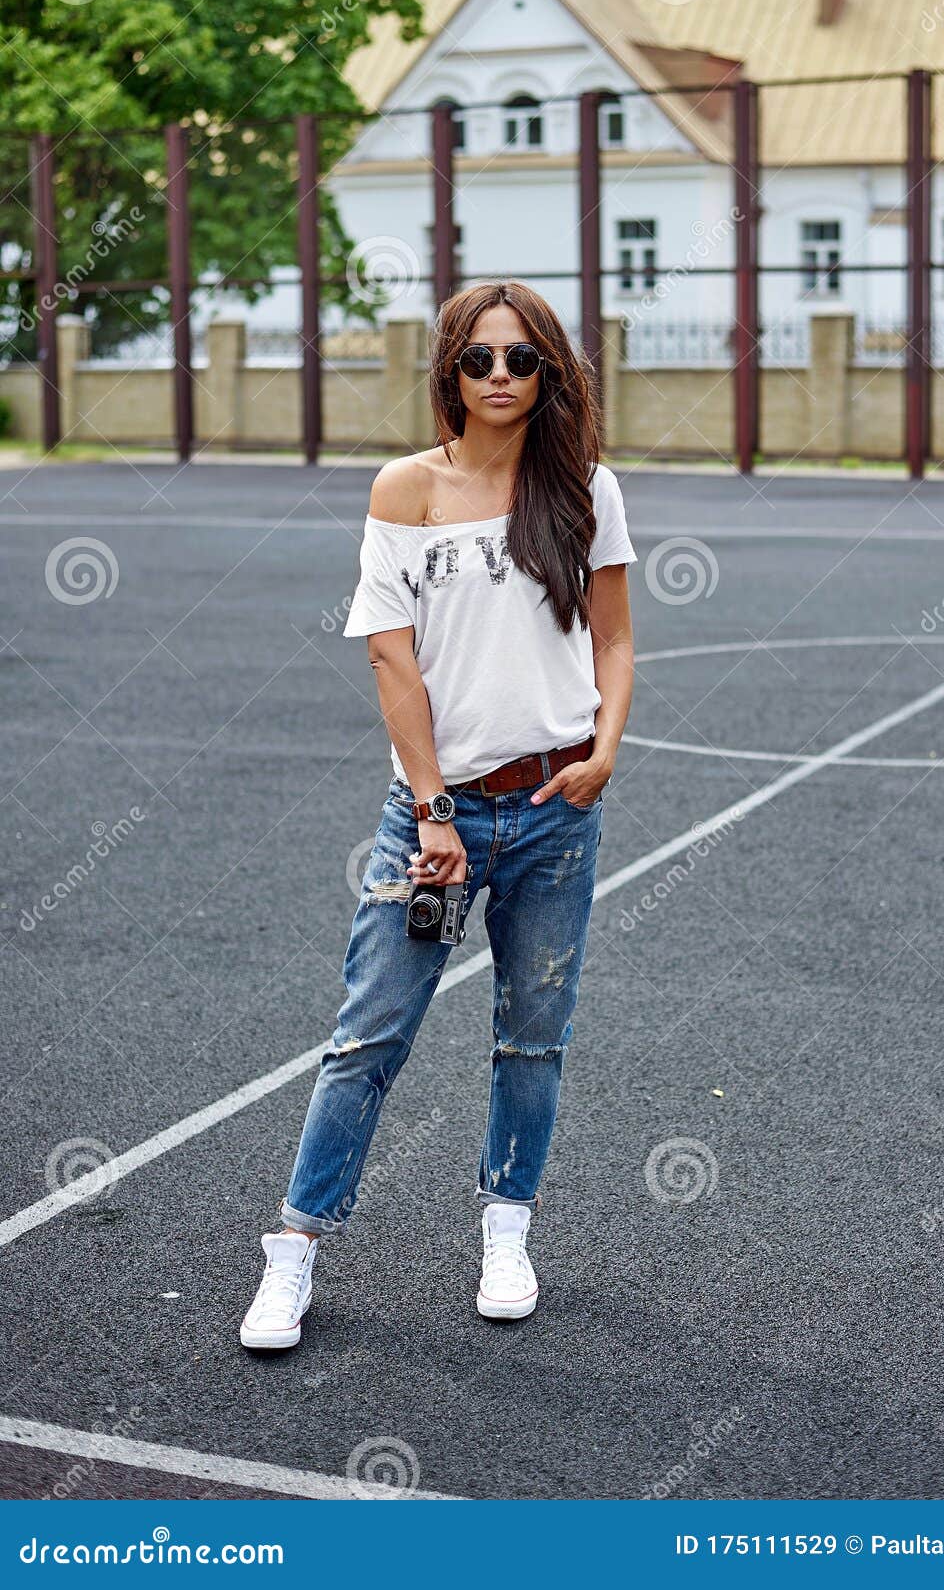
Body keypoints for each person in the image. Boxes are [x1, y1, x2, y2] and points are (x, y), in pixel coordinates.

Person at [240, 279, 637, 1350]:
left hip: (557, 806)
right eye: (480, 359)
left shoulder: (588, 489)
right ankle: (295, 1248)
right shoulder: (405, 489)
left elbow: (614, 637)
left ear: (550, 373)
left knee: (533, 1038)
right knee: (368, 1034)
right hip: (434, 815)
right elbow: (390, 656)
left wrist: (605, 750)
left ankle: (506, 1232)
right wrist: (432, 815)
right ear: (449, 368)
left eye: (523, 361)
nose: (501, 377)